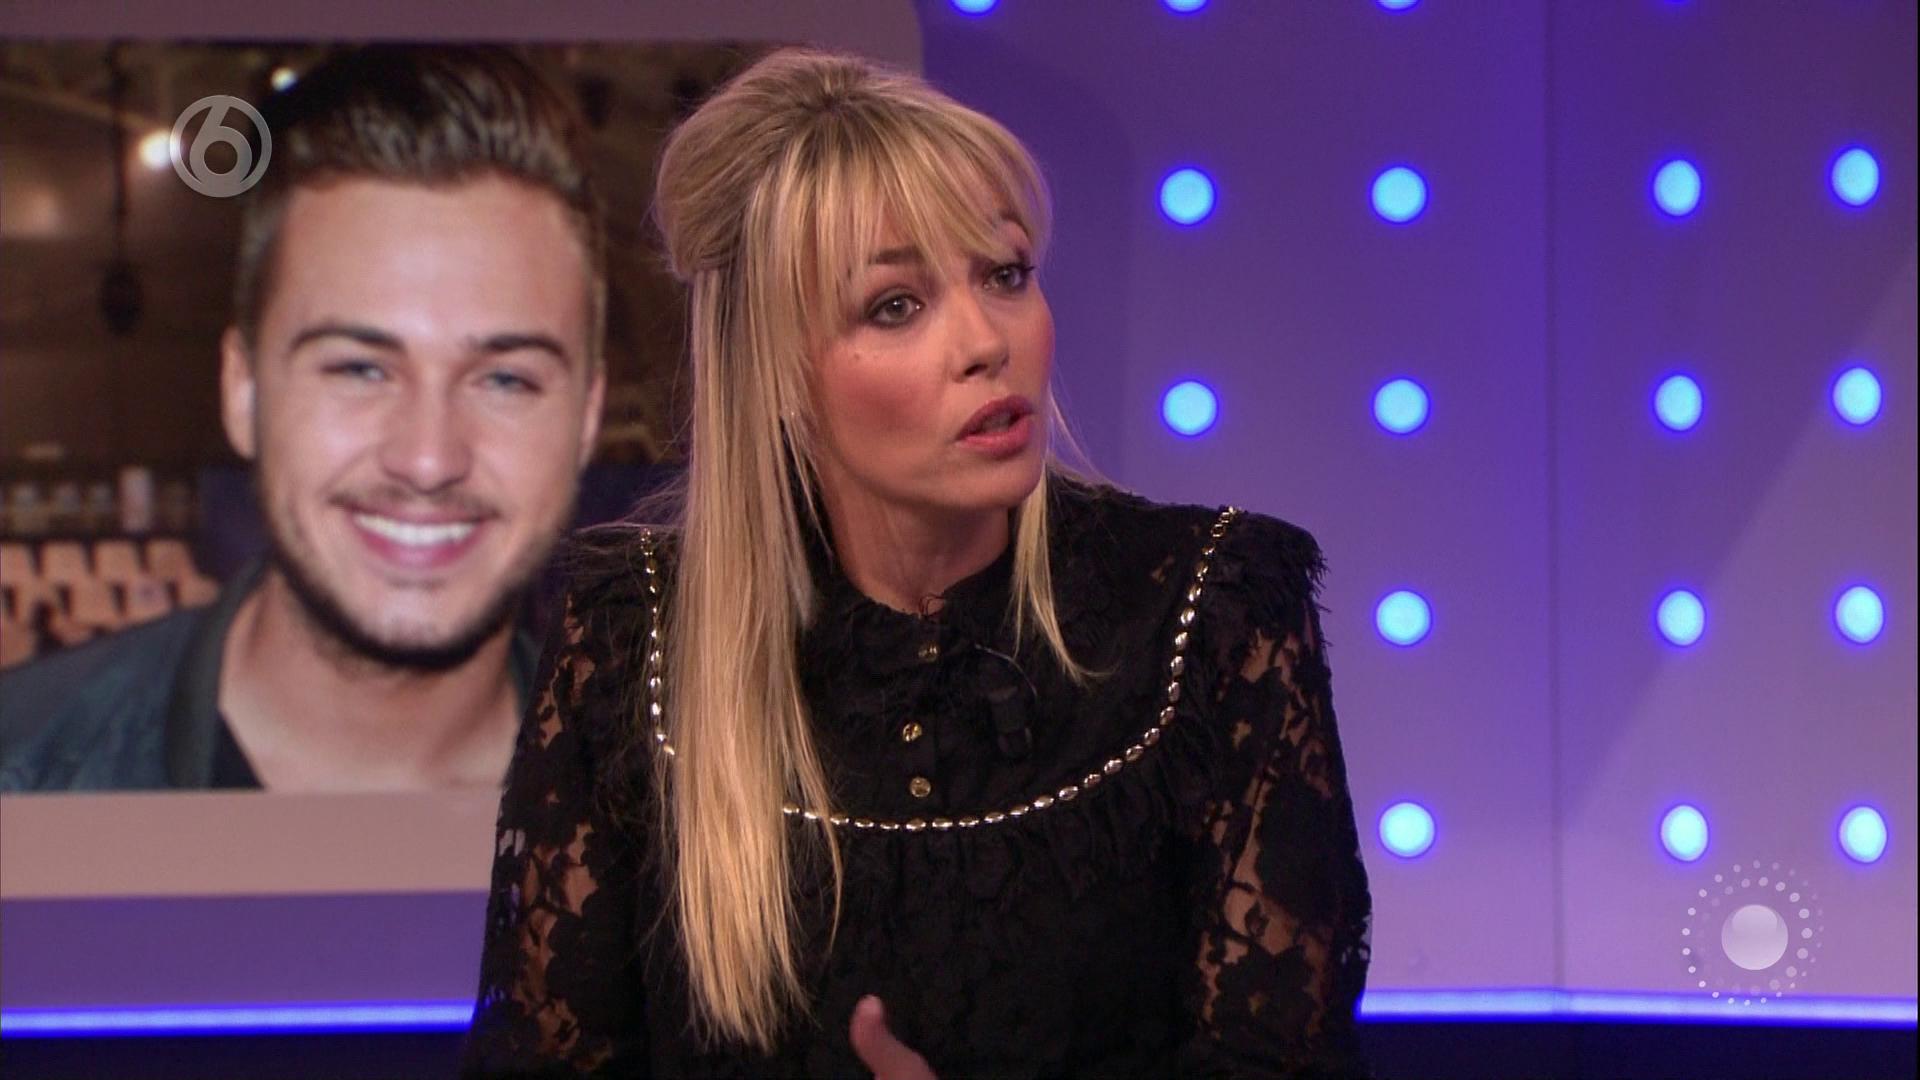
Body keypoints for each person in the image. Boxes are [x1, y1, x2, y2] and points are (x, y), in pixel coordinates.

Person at [463, 48, 1371, 1078]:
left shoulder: (1215, 611)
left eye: (1005, 274)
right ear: (778, 374)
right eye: (895, 305)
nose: (986, 341)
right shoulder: (635, 641)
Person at [0, 46, 607, 791]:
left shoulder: (676, 826)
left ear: (587, 417)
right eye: (359, 369)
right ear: (243, 392)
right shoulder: (24, 771)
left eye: (506, 380)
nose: (427, 458)